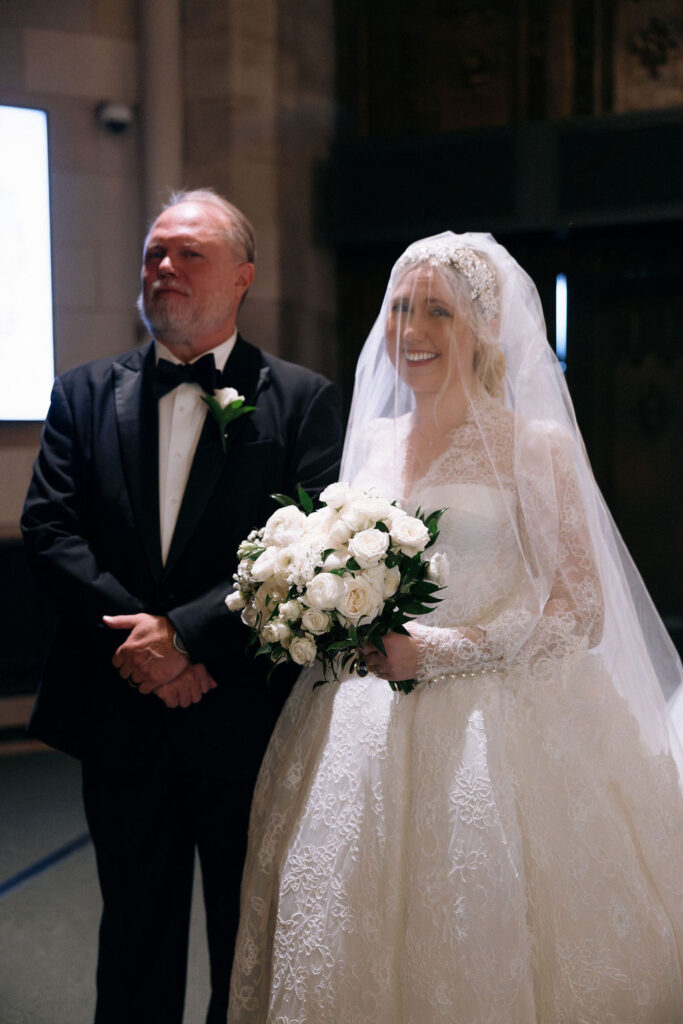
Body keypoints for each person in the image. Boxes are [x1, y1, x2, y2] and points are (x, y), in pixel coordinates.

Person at [228, 232, 683, 1022]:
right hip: (361, 716)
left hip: (499, 719)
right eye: (401, 308)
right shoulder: (371, 441)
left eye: (437, 310)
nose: (412, 331)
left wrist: (439, 650)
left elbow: (579, 607)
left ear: (483, 328)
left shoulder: (532, 445)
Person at [21, 188, 343, 1024]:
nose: (163, 266)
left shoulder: (300, 400)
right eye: (153, 253)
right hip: (119, 710)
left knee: (249, 935)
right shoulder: (82, 393)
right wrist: (147, 648)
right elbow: (50, 533)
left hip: (245, 713)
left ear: (242, 277)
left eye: (188, 253)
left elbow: (311, 550)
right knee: (132, 931)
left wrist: (190, 638)